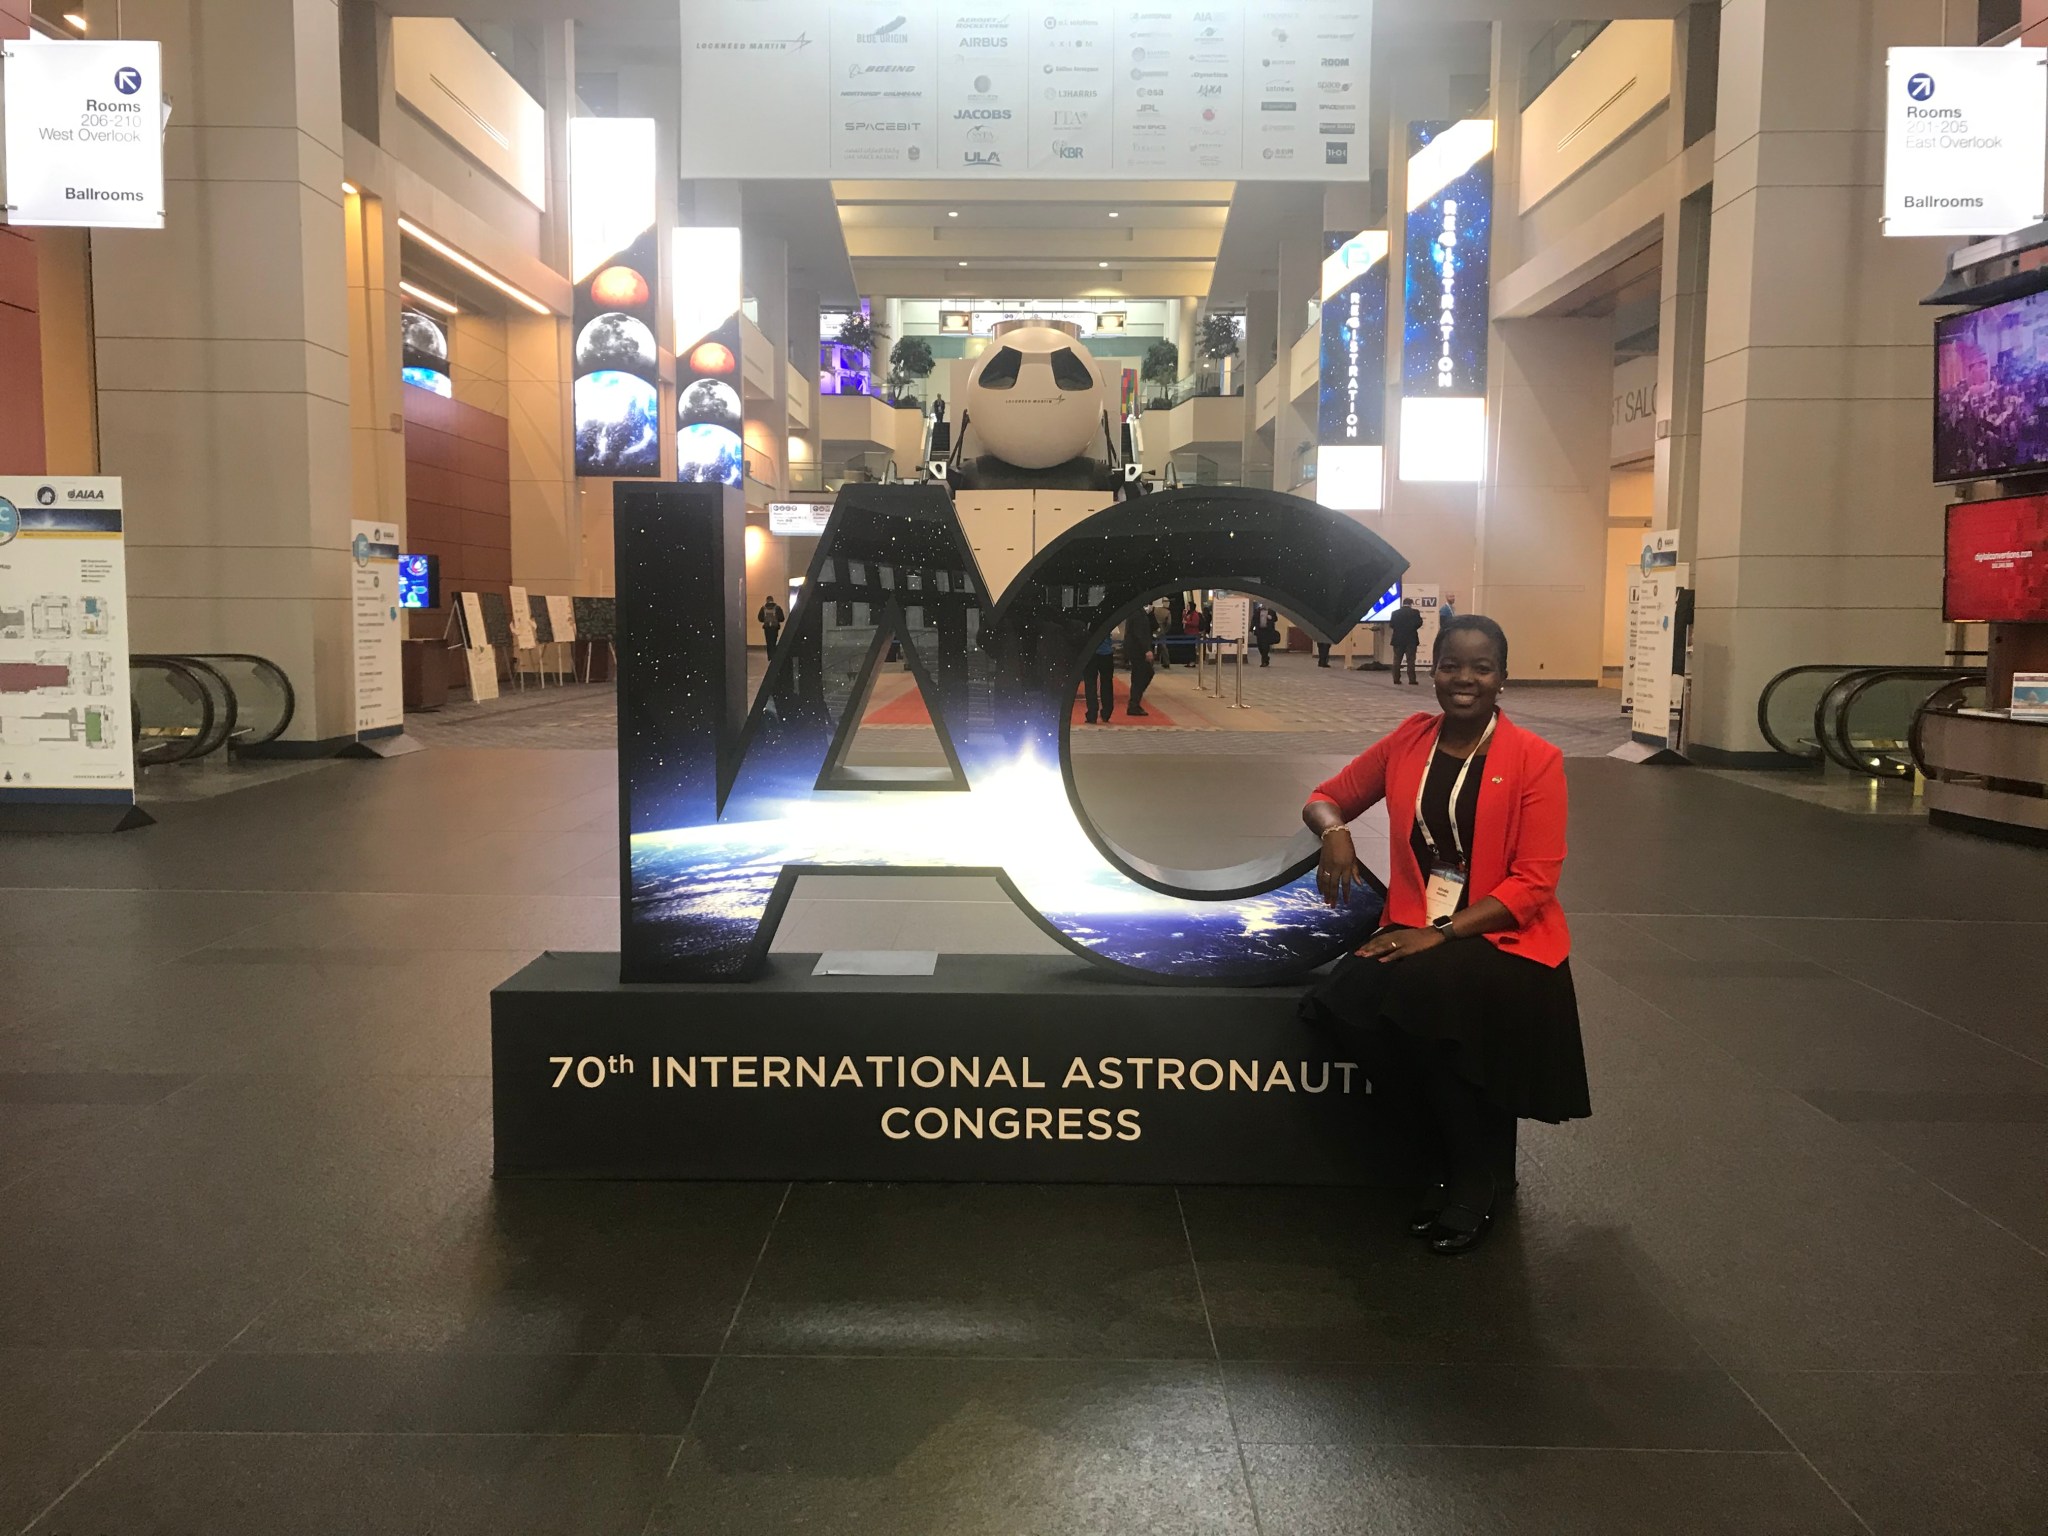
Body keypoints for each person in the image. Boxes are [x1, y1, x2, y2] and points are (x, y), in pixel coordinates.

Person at [1298, 615, 1588, 1256]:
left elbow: (1534, 883)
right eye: (1451, 665)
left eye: (1481, 668)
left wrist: (1442, 932)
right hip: (1417, 922)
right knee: (1338, 1005)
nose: (1464, 679)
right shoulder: (1410, 741)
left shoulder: (1536, 760)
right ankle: (1435, 1151)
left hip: (1501, 934)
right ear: (1432, 670)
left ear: (1502, 678)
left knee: (1424, 999)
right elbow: (1325, 796)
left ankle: (1470, 1177)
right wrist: (1335, 831)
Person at [1124, 604, 1156, 717]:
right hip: (1138, 651)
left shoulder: (1136, 611)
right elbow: (1139, 634)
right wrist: (1146, 650)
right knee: (1144, 674)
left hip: (1135, 650)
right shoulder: (1137, 614)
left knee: (1139, 676)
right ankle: (1134, 703)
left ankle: (1134, 702)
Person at [1082, 629, 1117, 723]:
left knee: (1090, 683)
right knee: (1107, 683)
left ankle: (1092, 714)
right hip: (1106, 653)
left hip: (1090, 653)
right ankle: (1106, 713)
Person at [1387, 597, 1422, 685]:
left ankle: (1396, 679)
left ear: (1403, 603)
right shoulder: (1415, 612)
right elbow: (1419, 623)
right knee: (1410, 660)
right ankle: (1412, 680)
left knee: (1397, 660)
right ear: (1411, 604)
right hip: (1411, 639)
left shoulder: (1395, 613)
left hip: (1398, 639)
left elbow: (1391, 625)